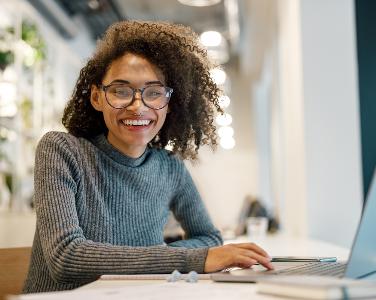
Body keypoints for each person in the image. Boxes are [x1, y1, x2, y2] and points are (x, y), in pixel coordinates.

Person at [22, 20, 274, 294]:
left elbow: (209, 237)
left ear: (169, 103)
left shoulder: (170, 168)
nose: (138, 106)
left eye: (154, 93)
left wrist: (162, 254)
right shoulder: (61, 150)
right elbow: (66, 258)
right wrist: (188, 257)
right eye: (121, 91)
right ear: (96, 97)